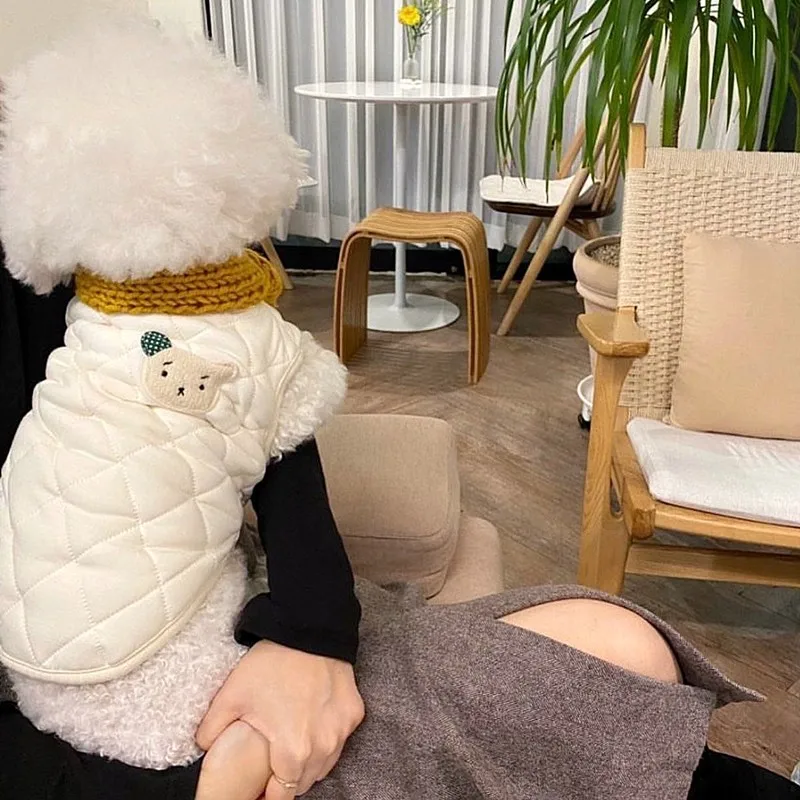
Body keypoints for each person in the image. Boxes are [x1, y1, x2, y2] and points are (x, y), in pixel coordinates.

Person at [1, 14, 799, 800]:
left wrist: (311, 635)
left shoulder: (89, 324)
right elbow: (266, 436)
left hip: (80, 649)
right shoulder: (244, 343)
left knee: (620, 646)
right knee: (616, 661)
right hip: (156, 699)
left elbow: (261, 472)